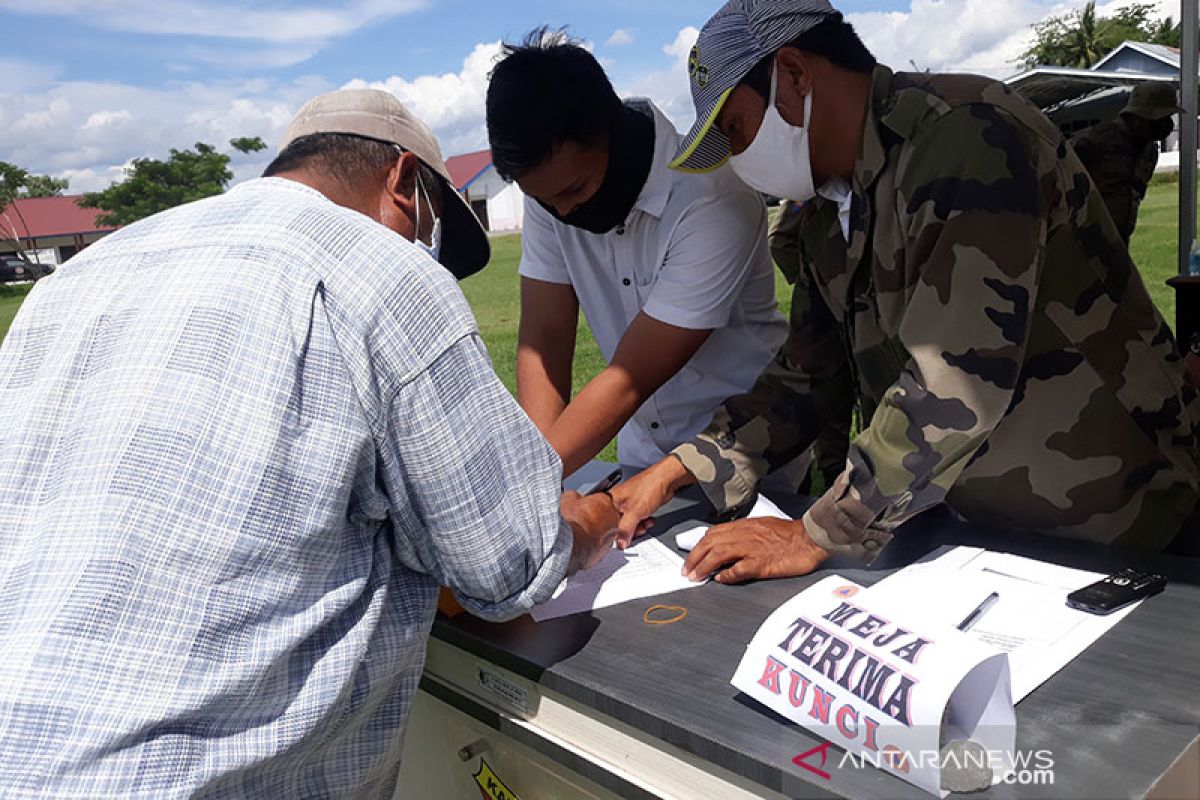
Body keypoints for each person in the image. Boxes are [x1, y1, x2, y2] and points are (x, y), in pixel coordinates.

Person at [0, 88, 618, 797]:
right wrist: (580, 526)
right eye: (426, 230)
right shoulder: (383, 271)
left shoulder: (76, 277)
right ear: (402, 179)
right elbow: (504, 568)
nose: (421, 249)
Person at [612, 0, 1200, 583]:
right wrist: (684, 464)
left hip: (1119, 521)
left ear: (792, 75)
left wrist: (817, 532)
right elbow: (808, 375)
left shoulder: (967, 137)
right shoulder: (825, 212)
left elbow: (956, 381)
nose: (738, 160)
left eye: (735, 130)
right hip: (984, 534)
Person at [486, 29, 789, 479]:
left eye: (575, 190)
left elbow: (631, 377)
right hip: (642, 457)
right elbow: (545, 340)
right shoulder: (551, 193)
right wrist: (544, 484)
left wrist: (526, 487)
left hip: (742, 455)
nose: (564, 212)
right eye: (547, 203)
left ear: (608, 133)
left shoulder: (712, 198)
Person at [769, 198, 853, 493]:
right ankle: (837, 478)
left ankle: (838, 477)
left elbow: (780, 239)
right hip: (838, 312)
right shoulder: (814, 200)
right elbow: (781, 241)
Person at [1070, 82, 1181, 244]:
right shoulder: (1093, 141)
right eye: (1161, 119)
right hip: (1079, 242)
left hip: (1118, 242)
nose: (1168, 125)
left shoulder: (1149, 152)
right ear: (1137, 119)